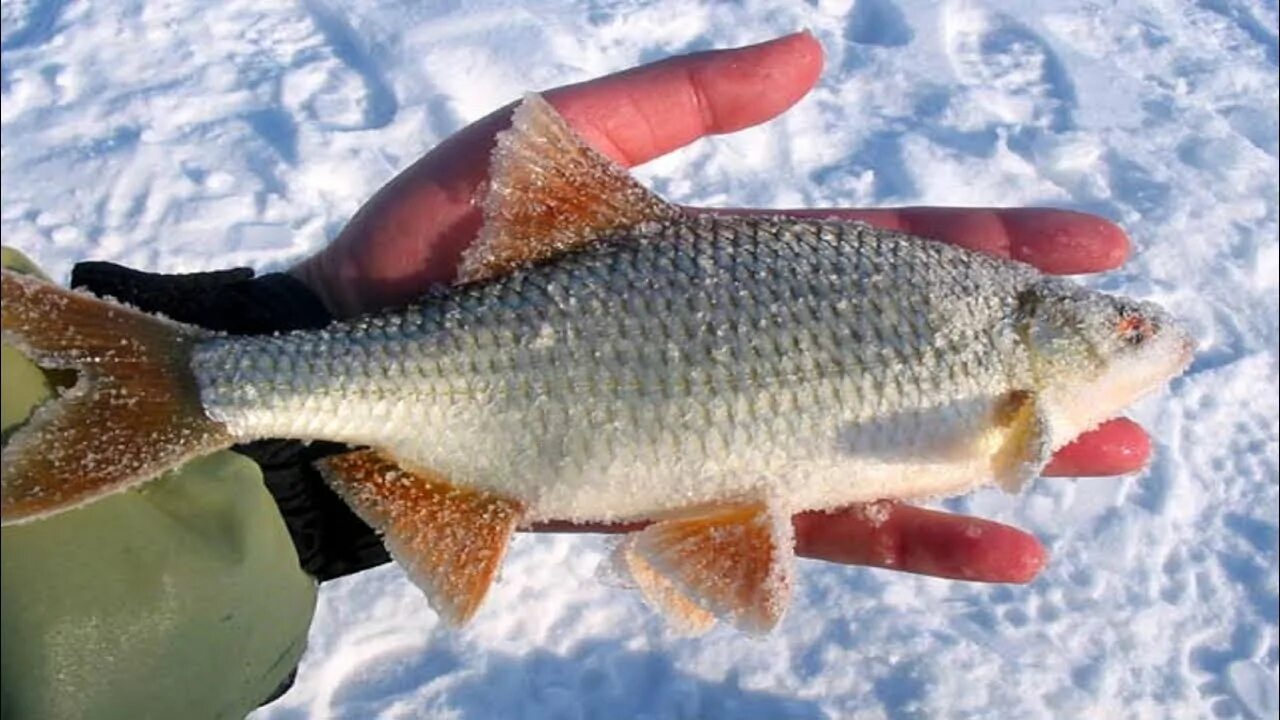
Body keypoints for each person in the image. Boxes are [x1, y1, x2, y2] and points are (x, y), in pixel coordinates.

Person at [0, 32, 1151, 718]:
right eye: (1124, 332)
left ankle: (196, 387)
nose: (1138, 344)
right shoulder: (999, 365)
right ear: (1043, 341)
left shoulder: (991, 349)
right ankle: (195, 388)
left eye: (1129, 332)